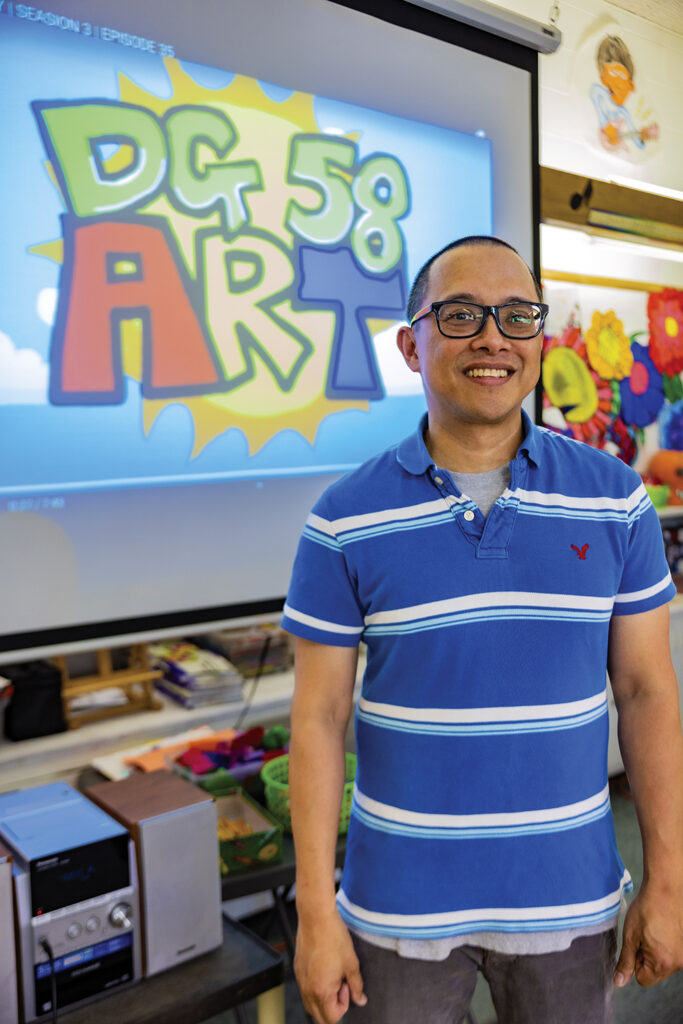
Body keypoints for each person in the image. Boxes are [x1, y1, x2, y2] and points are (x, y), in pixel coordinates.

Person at [281, 236, 683, 1024]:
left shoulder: (614, 501)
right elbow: (318, 720)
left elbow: (644, 692)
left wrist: (667, 880)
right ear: (410, 344)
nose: (492, 337)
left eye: (516, 315)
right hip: (394, 910)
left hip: (567, 897)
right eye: (460, 315)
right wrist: (315, 912)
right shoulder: (341, 520)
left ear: (537, 339)